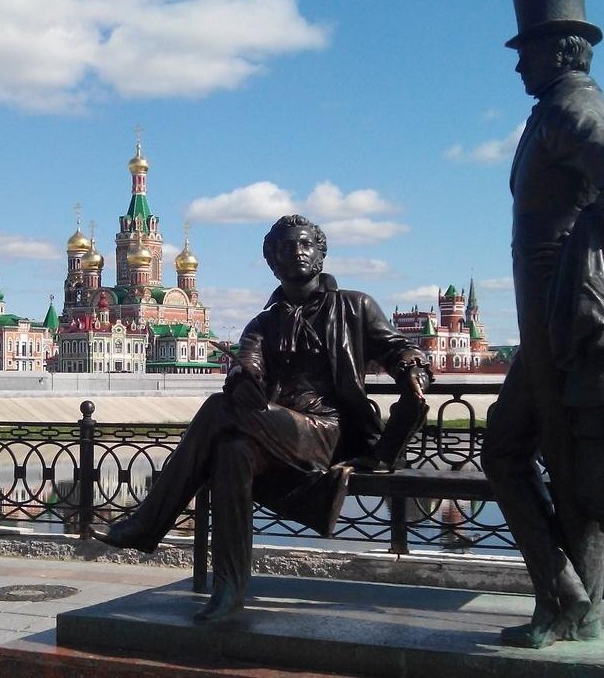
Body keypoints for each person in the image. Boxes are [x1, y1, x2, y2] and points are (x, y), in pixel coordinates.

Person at [97, 214, 428, 623]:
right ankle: (229, 589)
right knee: (232, 452)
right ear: (273, 261)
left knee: (218, 410)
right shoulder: (263, 323)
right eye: (286, 247)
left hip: (330, 432)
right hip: (275, 429)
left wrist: (413, 370)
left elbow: (398, 348)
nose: (298, 252)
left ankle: (149, 523)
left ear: (321, 253)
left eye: (306, 244)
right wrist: (243, 380)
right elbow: (246, 364)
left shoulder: (353, 306)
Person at [483, 0, 604, 649]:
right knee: (530, 452)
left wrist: (581, 264)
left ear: (560, 50)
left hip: (563, 320)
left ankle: (569, 604)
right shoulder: (554, 108)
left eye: (527, 50)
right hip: (548, 322)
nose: (518, 64)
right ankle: (569, 599)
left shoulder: (571, 108)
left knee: (557, 457)